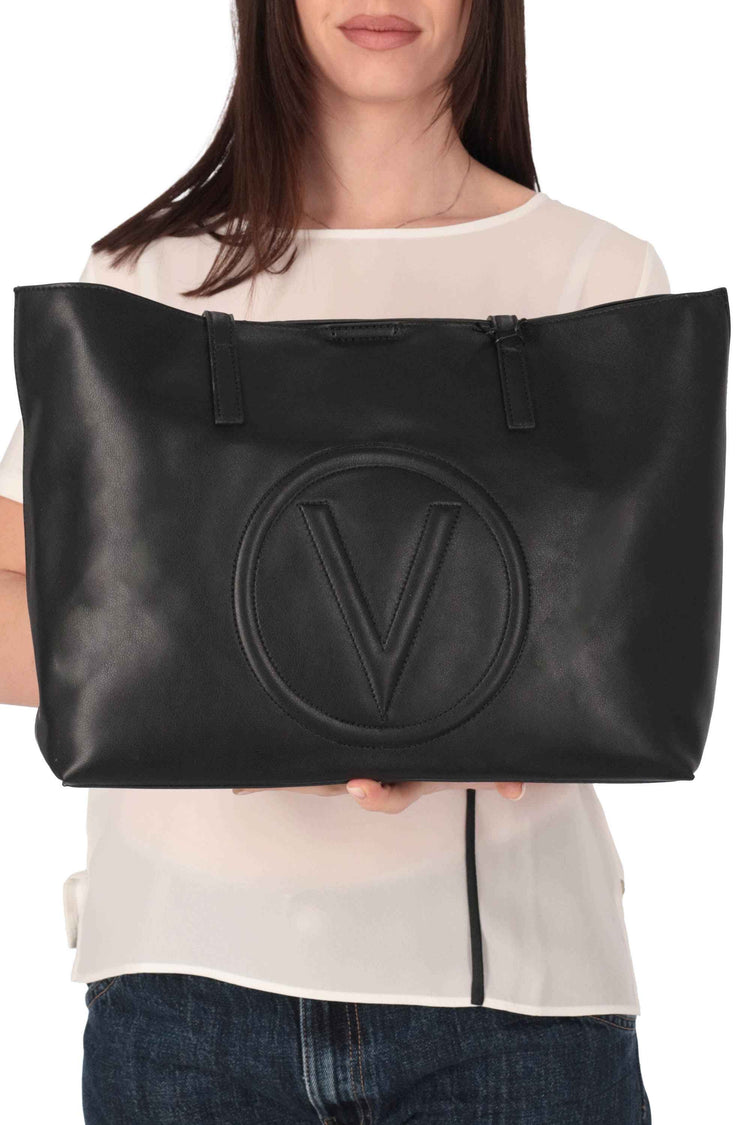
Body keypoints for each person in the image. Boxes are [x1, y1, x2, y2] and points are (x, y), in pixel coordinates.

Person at [0, 2, 665, 1122]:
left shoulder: (597, 277)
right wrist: (275, 701)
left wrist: (458, 719)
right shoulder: (147, 280)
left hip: (513, 1005)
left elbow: (628, 644)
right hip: (183, 984)